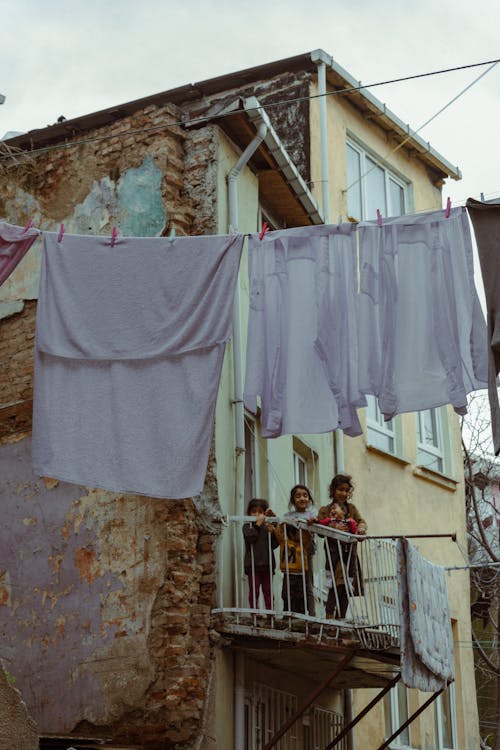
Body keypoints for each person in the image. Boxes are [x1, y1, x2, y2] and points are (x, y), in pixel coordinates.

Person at [317, 474, 367, 619]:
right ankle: (329, 614)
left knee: (347, 585)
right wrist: (333, 528)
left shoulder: (351, 508)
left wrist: (361, 528)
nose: (343, 493)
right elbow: (319, 529)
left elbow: (361, 522)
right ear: (333, 490)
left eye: (346, 490)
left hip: (349, 553)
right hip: (334, 554)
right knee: (336, 582)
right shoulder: (325, 510)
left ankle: (341, 615)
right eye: (340, 489)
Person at [274, 484, 314, 614]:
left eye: (305, 495)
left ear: (309, 499)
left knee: (307, 584)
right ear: (292, 500)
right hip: (291, 555)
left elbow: (316, 528)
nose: (302, 498)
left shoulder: (311, 515)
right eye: (298, 496)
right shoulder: (288, 515)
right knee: (289, 584)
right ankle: (289, 612)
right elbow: (281, 528)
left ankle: (309, 613)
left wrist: (312, 523)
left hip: (307, 553)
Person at [243, 498, 278, 611]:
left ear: (264, 513)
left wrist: (274, 525)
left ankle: (270, 612)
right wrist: (257, 525)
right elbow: (250, 538)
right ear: (248, 513)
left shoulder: (266, 527)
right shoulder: (247, 526)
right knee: (254, 591)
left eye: (260, 512)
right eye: (254, 511)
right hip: (253, 565)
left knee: (268, 591)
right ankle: (254, 612)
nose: (257, 514)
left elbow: (274, 544)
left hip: (267, 564)